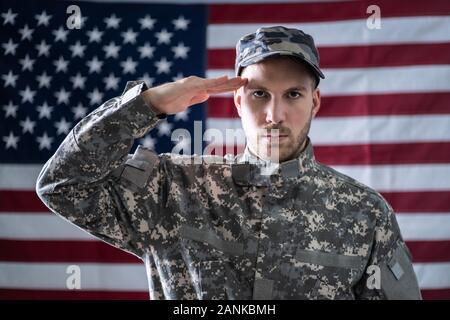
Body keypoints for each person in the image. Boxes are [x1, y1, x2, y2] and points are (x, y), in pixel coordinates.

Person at [36, 26, 422, 300]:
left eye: (292, 94)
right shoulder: (172, 188)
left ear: (315, 102)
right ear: (238, 101)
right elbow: (63, 185)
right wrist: (147, 105)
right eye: (258, 94)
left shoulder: (364, 214)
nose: (274, 115)